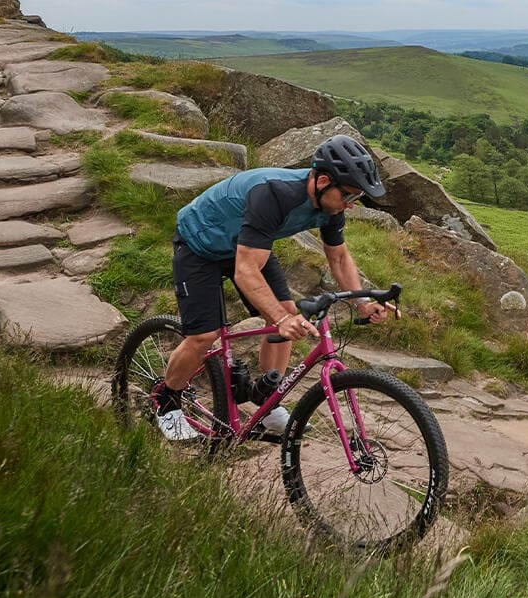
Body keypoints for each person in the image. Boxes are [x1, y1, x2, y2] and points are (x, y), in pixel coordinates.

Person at [155, 134, 393, 441]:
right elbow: (245, 271)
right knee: (204, 335)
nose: (351, 204)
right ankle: (166, 402)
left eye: (356, 197)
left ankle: (267, 403)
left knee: (287, 312)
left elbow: (338, 256)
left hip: (246, 245)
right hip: (199, 245)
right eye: (349, 195)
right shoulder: (274, 193)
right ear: (323, 181)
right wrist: (280, 319)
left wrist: (362, 303)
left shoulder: (332, 206)